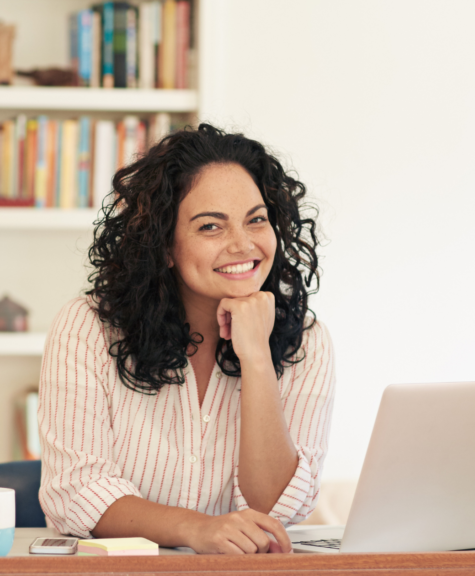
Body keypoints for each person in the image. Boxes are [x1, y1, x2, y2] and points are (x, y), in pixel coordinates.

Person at [38, 124, 335, 554]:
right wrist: (197, 529)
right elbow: (76, 492)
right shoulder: (87, 327)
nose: (242, 244)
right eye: (211, 227)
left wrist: (256, 358)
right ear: (164, 246)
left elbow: (274, 508)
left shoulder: (306, 342)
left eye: (256, 219)